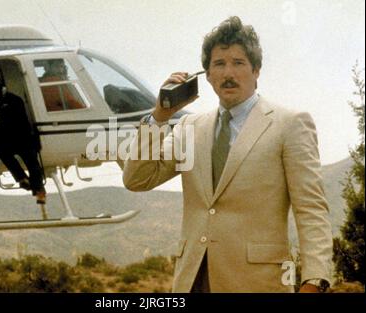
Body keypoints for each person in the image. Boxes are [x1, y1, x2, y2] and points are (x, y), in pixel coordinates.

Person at [123, 16, 333, 293]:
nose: (228, 73)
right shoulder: (189, 127)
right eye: (219, 64)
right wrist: (159, 116)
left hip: (258, 283)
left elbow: (311, 210)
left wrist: (314, 279)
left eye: (238, 62)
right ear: (207, 75)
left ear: (256, 70)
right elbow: (138, 179)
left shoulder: (289, 124)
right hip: (192, 281)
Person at [0, 78, 46, 205]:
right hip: (9, 138)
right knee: (3, 154)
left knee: (32, 164)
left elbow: (11, 120)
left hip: (23, 137)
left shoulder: (14, 100)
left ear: (0, 90)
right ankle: (22, 178)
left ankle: (39, 191)